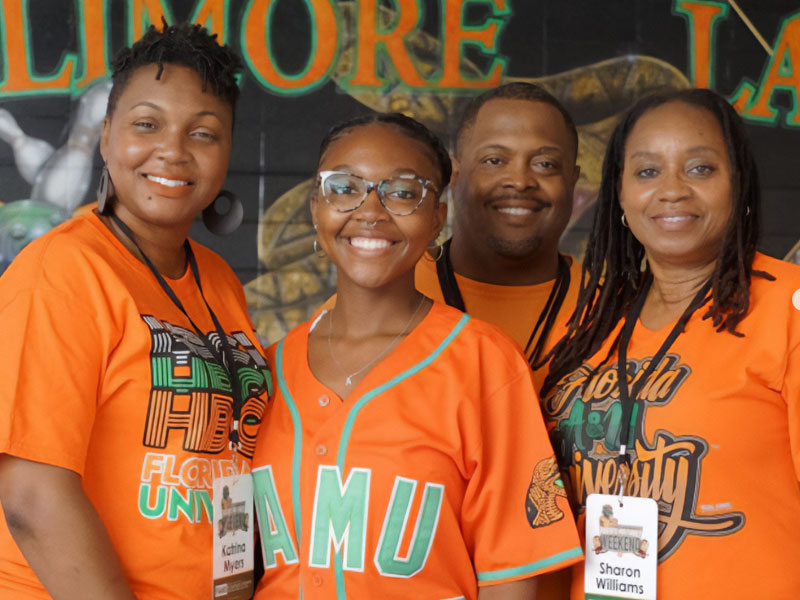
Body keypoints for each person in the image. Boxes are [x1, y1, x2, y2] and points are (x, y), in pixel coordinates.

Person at [251, 113, 582, 599]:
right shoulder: (269, 369)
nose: (370, 211)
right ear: (316, 206)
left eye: (403, 192)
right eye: (344, 187)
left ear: (437, 217)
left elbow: (510, 577)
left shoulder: (483, 363)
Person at [0, 23, 270, 599]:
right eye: (146, 124)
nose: (172, 149)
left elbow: (226, 457)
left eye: (204, 132)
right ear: (104, 137)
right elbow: (30, 492)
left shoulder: (218, 281)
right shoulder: (63, 270)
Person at [541, 88, 800, 598]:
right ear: (618, 193)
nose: (672, 191)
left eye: (700, 169)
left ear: (738, 184)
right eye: (646, 172)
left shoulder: (788, 307)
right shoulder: (590, 322)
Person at [415, 82, 583, 390]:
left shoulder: (614, 311)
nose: (519, 181)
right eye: (494, 160)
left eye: (545, 164)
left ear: (572, 181)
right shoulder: (389, 298)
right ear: (454, 175)